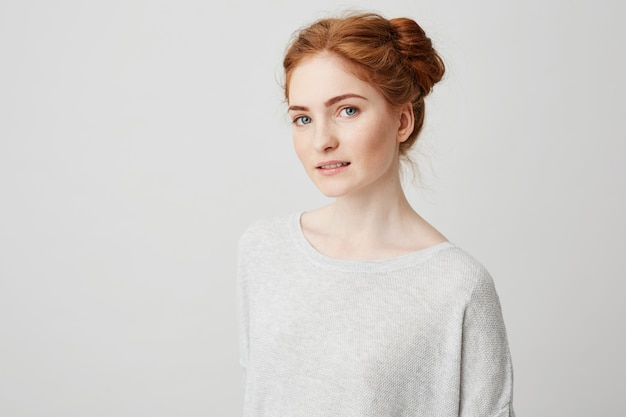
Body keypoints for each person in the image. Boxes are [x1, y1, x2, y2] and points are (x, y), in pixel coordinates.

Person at [237, 11, 515, 417]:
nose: (321, 141)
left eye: (347, 110)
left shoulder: (458, 286)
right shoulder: (263, 250)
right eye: (302, 118)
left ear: (402, 121)